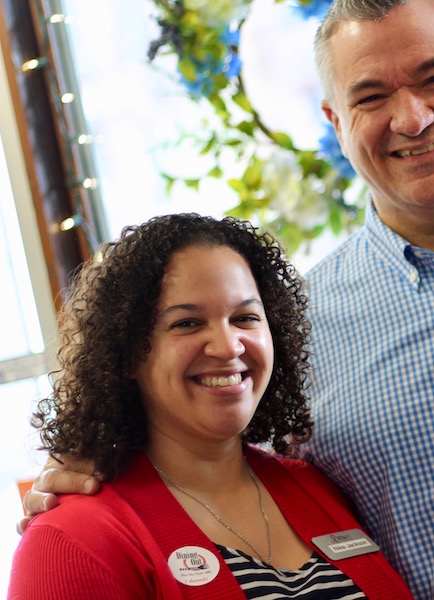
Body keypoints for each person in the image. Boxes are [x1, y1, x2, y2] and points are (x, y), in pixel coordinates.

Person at [21, 1, 434, 597]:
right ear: (335, 121)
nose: (411, 118)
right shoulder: (291, 326)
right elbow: (205, 458)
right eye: (372, 96)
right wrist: (92, 458)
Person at [9, 214, 412, 599]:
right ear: (127, 353)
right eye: (187, 323)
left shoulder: (313, 485)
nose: (228, 346)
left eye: (245, 317)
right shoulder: (70, 539)